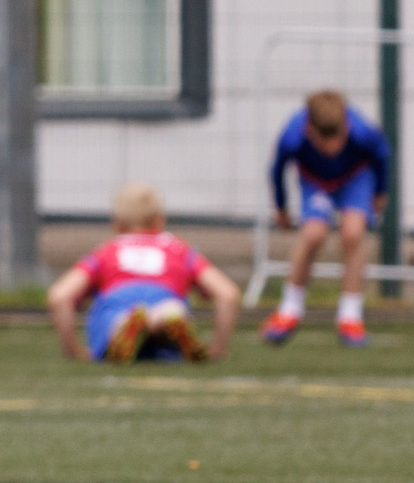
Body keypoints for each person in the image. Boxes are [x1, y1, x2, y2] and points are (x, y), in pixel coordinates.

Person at [46, 184, 238, 363]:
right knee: (171, 311)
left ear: (117, 225)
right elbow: (228, 294)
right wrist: (217, 350)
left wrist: (73, 351)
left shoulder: (107, 251)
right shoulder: (178, 249)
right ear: (160, 220)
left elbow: (60, 296)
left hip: (118, 298)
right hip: (164, 295)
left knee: (113, 321)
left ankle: (124, 324)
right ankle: (165, 316)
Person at [263, 89, 393, 347]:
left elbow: (382, 156)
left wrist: (380, 192)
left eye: (339, 138)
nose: (334, 147)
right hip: (316, 180)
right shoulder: (292, 137)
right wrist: (281, 207)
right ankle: (289, 310)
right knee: (313, 233)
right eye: (326, 142)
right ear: (310, 131)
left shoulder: (361, 131)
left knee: (353, 233)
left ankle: (351, 314)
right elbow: (277, 169)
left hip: (355, 177)